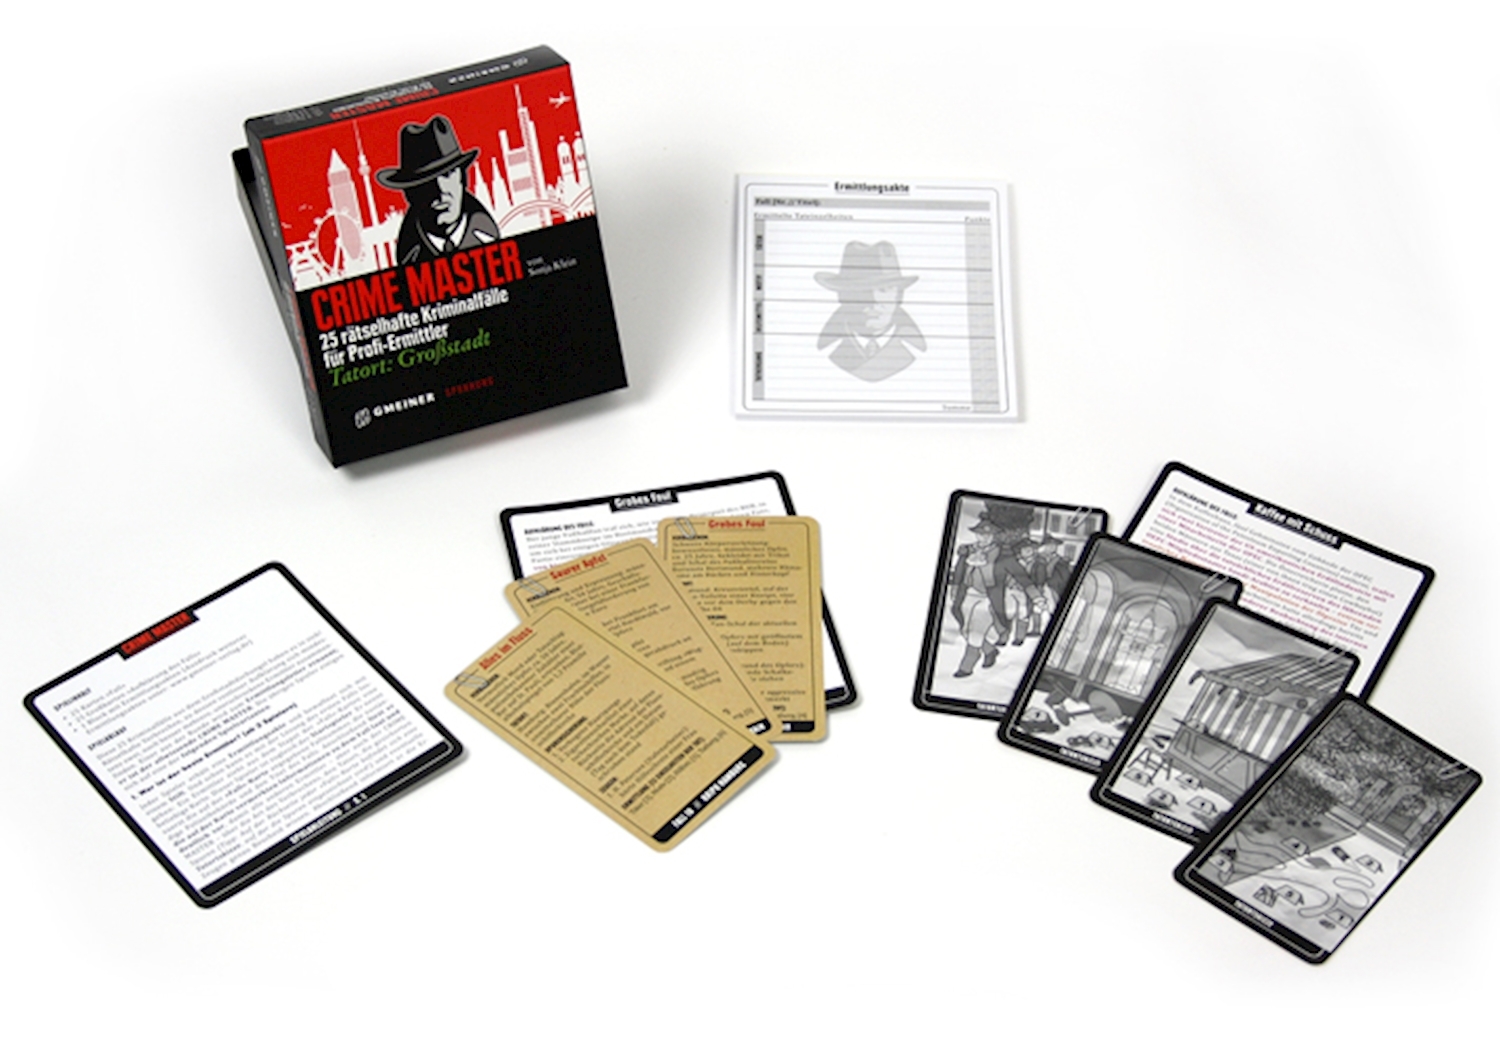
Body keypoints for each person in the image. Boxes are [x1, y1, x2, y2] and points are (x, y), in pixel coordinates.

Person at [376, 115, 500, 264]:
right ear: (410, 194)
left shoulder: (489, 239)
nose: (441, 191)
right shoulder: (409, 258)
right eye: (427, 183)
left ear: (462, 179)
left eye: (447, 175)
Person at [814, 241, 926, 381]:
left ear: (899, 295)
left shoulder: (916, 350)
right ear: (843, 296)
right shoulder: (826, 352)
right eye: (862, 291)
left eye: (884, 290)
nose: (874, 301)